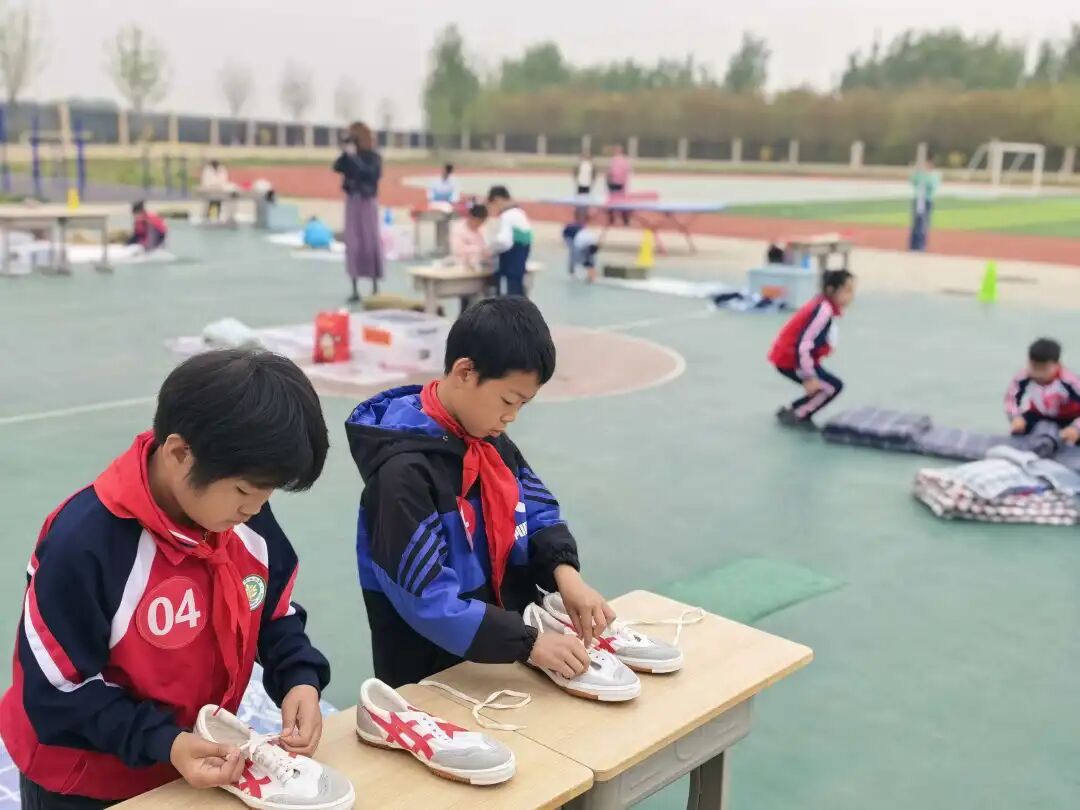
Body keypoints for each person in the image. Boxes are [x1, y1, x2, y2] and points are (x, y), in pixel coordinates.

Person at [0, 350, 332, 808]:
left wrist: (298, 677)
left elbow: (271, 611)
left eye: (268, 493)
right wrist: (165, 742)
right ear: (179, 454)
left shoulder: (241, 521)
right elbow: (56, 691)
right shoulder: (85, 544)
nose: (255, 508)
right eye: (244, 490)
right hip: (87, 782)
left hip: (188, 764)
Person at [345, 297, 614, 687]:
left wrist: (567, 575)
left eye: (523, 405)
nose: (511, 417)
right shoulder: (402, 476)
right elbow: (428, 598)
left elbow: (535, 512)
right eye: (507, 400)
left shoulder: (489, 441)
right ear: (465, 372)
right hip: (437, 679)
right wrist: (528, 643)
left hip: (509, 659)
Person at [769, 269, 856, 428]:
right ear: (831, 290)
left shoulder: (824, 306)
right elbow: (804, 344)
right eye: (847, 291)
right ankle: (797, 415)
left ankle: (794, 410)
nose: (851, 296)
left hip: (795, 358)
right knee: (831, 387)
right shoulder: (823, 310)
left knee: (827, 385)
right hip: (790, 359)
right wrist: (809, 377)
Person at [333, 121, 384, 305]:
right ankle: (354, 288)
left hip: (367, 200)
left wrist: (354, 158)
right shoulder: (350, 156)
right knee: (353, 242)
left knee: (370, 241)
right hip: (352, 200)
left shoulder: (373, 157)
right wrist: (345, 153)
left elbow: (370, 174)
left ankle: (374, 285)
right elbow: (337, 167)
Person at [1005, 338, 1080, 444]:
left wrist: (1076, 428)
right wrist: (1016, 417)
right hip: (1038, 416)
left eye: (1044, 369)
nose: (1038, 374)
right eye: (1034, 367)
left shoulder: (1070, 381)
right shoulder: (1023, 377)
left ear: (1057, 365)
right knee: (1018, 429)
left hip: (1069, 419)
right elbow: (1011, 399)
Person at [486, 185, 532, 297]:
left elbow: (504, 242)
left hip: (508, 267)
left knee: (505, 300)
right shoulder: (520, 213)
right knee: (517, 298)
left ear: (497, 199)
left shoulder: (507, 215)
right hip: (518, 268)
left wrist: (490, 249)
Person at [909, 156, 940, 251]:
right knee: (916, 222)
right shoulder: (920, 175)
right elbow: (913, 181)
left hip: (927, 201)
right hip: (918, 200)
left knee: (923, 223)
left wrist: (924, 177)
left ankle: (921, 245)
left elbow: (931, 186)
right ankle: (913, 245)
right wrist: (916, 172)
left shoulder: (934, 176)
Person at [450, 202, 488, 271]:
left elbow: (486, 247)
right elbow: (457, 249)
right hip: (461, 266)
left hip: (480, 265)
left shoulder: (482, 228)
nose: (478, 225)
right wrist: (478, 249)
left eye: (481, 222)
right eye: (477, 221)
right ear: (470, 217)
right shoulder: (458, 228)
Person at [605, 144, 632, 226]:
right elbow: (609, 172)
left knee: (619, 202)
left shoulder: (623, 161)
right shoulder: (614, 160)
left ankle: (623, 220)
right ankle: (613, 219)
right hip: (614, 183)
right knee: (614, 202)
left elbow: (626, 172)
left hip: (618, 183)